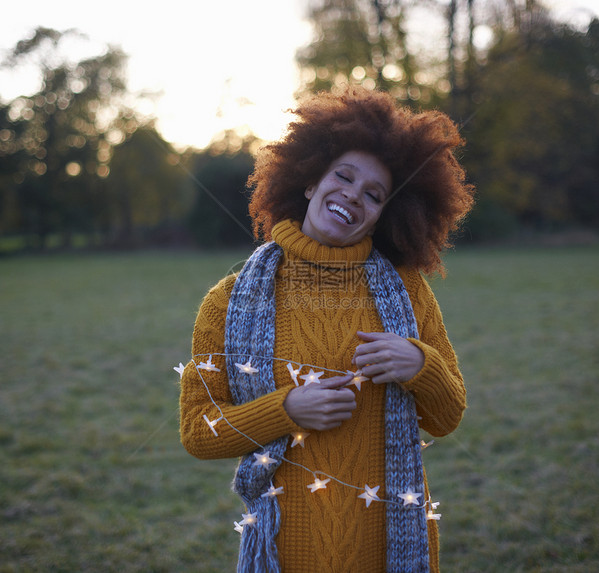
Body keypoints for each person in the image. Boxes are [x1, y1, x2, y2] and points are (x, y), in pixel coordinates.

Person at [179, 86, 474, 572]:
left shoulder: (407, 292)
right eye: (343, 176)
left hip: (389, 546)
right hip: (287, 549)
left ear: (384, 214)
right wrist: (287, 409)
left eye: (373, 194)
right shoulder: (228, 301)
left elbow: (447, 418)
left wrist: (422, 365)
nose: (352, 196)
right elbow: (197, 431)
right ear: (311, 182)